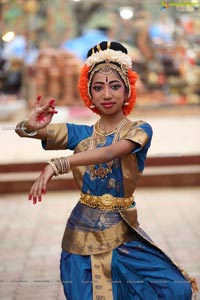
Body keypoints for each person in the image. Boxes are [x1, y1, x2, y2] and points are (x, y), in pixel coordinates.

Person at [15, 41, 198, 300]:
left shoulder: (139, 129)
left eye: (114, 86)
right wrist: (29, 125)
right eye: (98, 88)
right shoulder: (81, 134)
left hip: (122, 231)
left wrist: (59, 164)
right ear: (88, 93)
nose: (107, 94)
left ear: (127, 91)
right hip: (80, 236)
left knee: (175, 289)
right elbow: (33, 132)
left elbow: (111, 151)